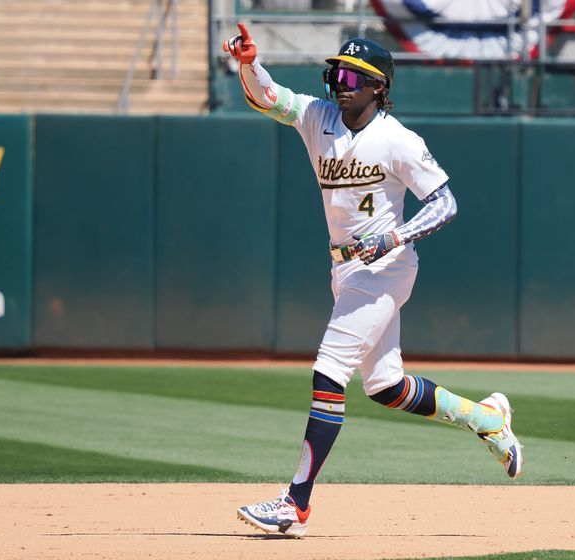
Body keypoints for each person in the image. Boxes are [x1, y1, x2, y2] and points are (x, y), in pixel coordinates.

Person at [223, 24, 523, 539]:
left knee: (329, 370)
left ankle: (294, 504)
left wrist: (397, 238)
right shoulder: (318, 118)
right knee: (385, 386)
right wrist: (250, 64)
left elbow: (446, 203)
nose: (340, 82)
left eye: (352, 75)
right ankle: (487, 419)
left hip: (385, 269)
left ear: (379, 86)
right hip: (345, 269)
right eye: (335, 72)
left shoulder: (398, 139)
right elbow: (269, 98)